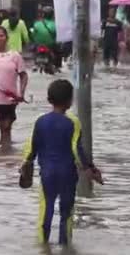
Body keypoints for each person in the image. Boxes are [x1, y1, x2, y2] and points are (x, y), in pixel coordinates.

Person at [20, 79, 102, 245]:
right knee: (67, 213)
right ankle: (65, 246)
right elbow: (77, 151)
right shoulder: (73, 122)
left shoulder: (40, 121)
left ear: (49, 99)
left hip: (47, 175)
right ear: (70, 101)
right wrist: (90, 169)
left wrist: (26, 163)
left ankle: (43, 247)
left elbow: (32, 147)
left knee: (46, 211)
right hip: (68, 175)